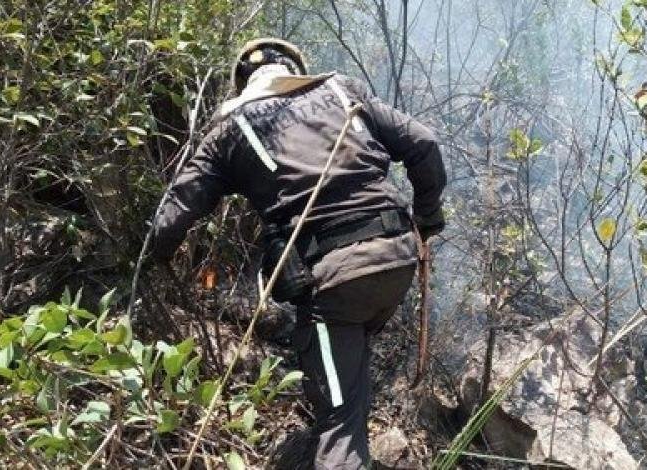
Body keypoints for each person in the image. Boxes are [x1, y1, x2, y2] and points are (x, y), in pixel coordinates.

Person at [149, 38, 446, 469]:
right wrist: (429, 216)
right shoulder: (343, 90)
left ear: (244, 84)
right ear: (294, 69)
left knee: (339, 422)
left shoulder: (229, 131)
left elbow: (176, 210)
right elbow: (423, 142)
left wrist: (152, 256)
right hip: (396, 258)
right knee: (349, 376)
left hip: (336, 279)